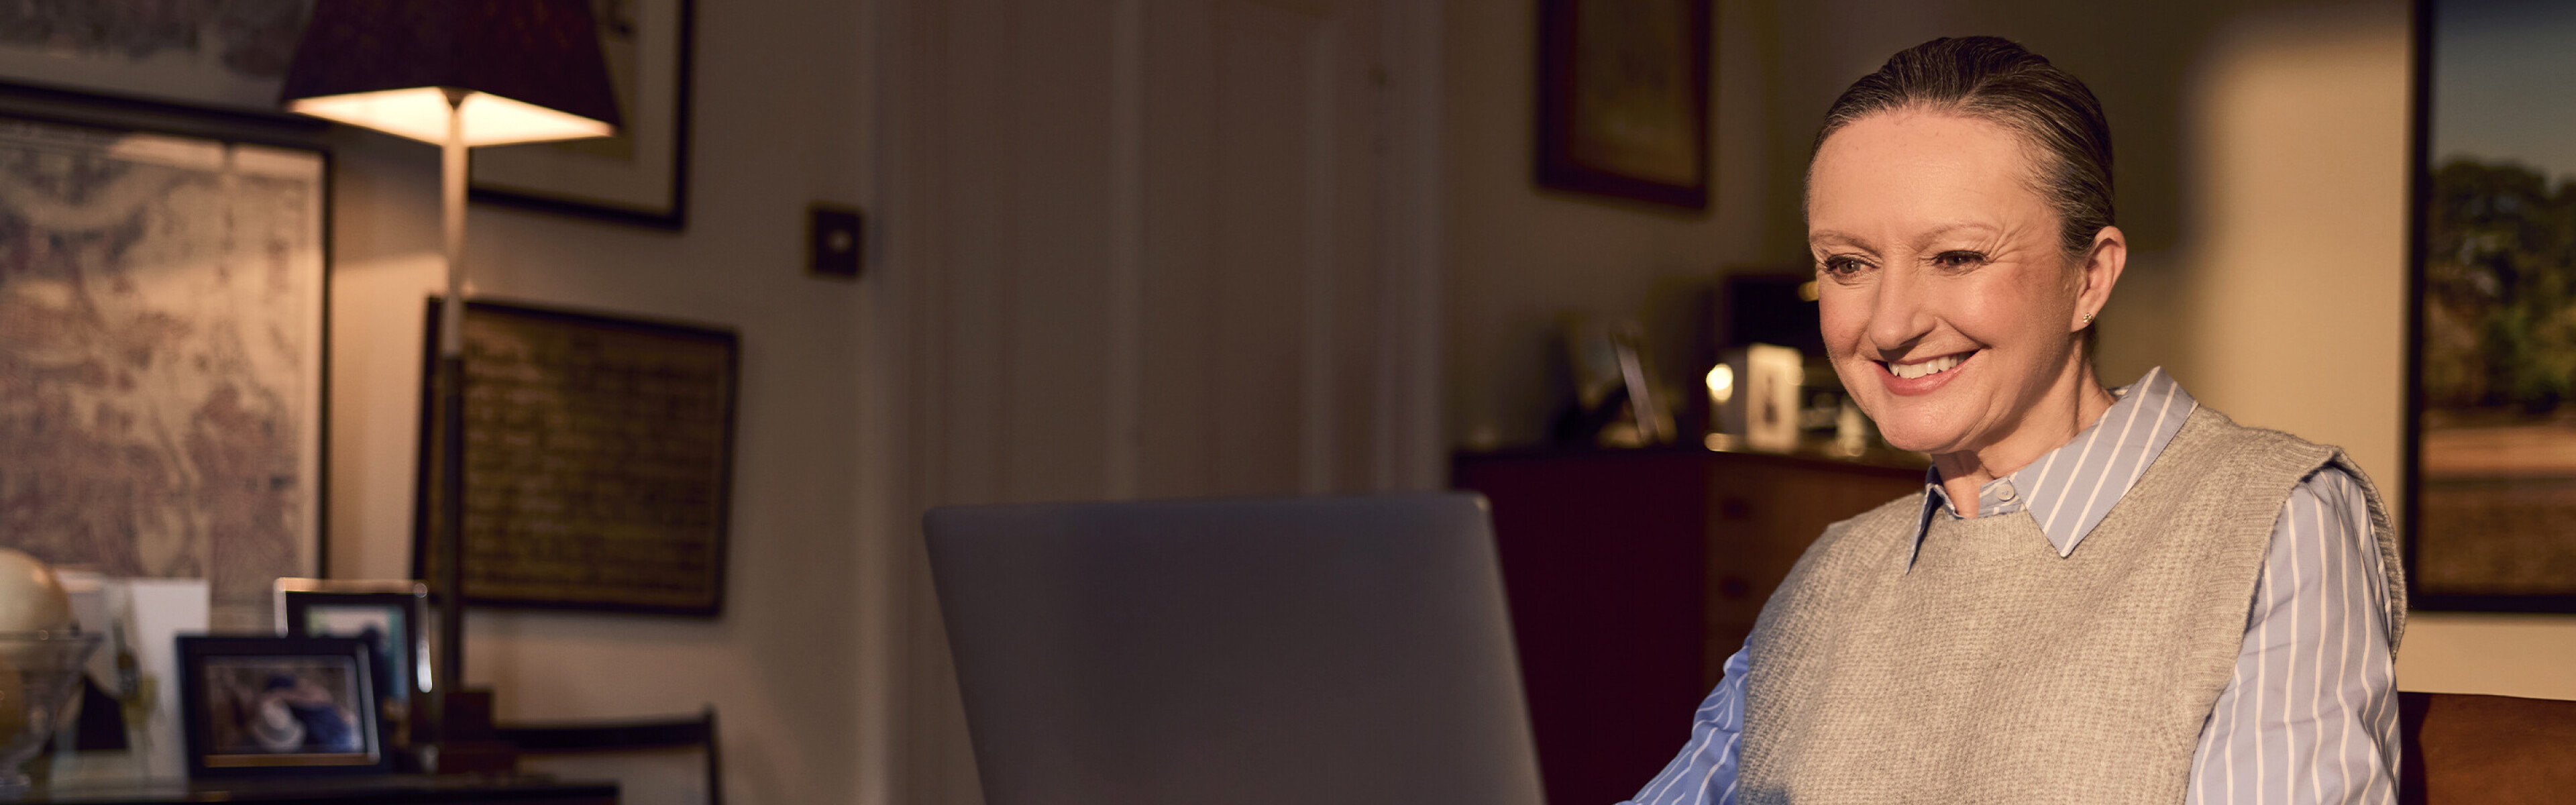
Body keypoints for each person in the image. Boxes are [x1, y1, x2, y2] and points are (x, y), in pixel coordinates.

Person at [1621, 36, 2404, 805]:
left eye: (1957, 257)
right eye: (1849, 265)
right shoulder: (1833, 572)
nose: (1890, 325)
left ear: (2090, 277)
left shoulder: (2275, 522)